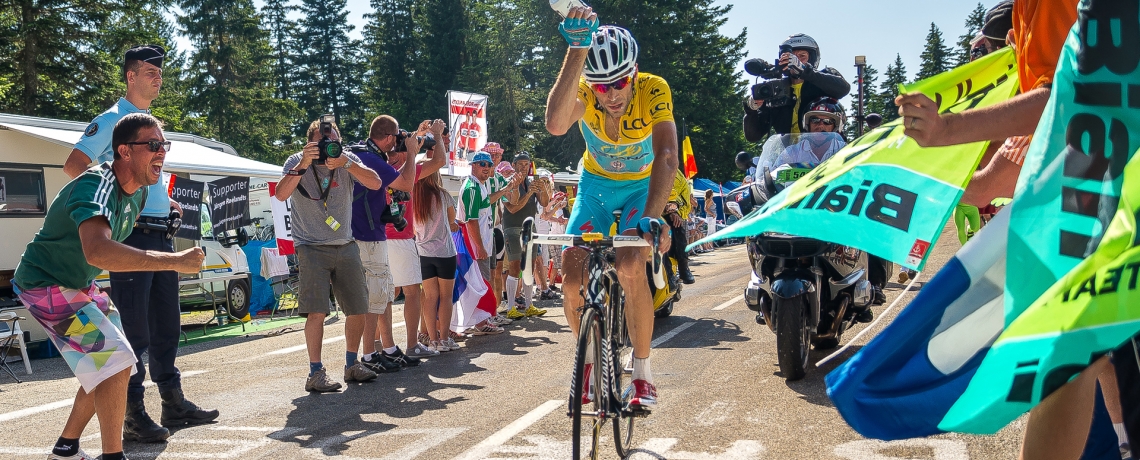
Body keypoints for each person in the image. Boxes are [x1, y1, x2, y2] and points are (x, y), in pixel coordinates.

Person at [23, 113, 205, 460]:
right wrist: (173, 261)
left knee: (116, 362)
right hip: (44, 285)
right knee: (117, 360)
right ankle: (111, 455)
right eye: (152, 145)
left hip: (78, 285)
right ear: (123, 150)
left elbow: (108, 244)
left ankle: (65, 449)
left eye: (164, 145)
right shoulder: (97, 184)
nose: (161, 152)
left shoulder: (136, 195)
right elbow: (98, 249)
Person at [63, 44, 217, 443]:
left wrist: (167, 202)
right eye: (150, 72)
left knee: (167, 325)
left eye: (160, 73)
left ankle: (173, 401)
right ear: (130, 76)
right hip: (130, 234)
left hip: (161, 232)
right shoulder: (112, 121)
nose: (158, 78)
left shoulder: (150, 124)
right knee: (133, 330)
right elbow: (74, 166)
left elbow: (144, 176)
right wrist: (108, 207)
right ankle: (132, 414)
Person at [545, 11, 679, 408]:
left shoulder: (653, 88)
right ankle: (588, 360)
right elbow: (555, 124)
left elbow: (668, 155)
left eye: (620, 82)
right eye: (602, 86)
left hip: (641, 187)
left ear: (634, 73)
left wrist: (654, 217)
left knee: (631, 266)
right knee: (571, 275)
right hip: (597, 188)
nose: (612, 95)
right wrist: (576, 50)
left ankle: (641, 373)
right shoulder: (586, 92)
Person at [274, 117, 384, 392]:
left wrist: (348, 164)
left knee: (358, 307)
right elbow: (280, 194)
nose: (329, 147)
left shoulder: (345, 159)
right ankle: (315, 372)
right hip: (310, 245)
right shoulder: (296, 160)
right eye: (323, 142)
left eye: (334, 141)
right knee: (317, 311)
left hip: (345, 243)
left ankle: (351, 364)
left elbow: (376, 183)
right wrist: (303, 164)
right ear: (310, 143)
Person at [351, 116, 442, 377]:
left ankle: (385, 348)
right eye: (398, 139)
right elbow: (404, 184)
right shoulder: (372, 159)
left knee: (382, 295)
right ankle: (370, 352)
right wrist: (412, 152)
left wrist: (420, 138)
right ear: (390, 139)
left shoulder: (367, 155)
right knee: (378, 296)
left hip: (375, 234)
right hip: (369, 235)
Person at [379, 117, 450, 364]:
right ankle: (411, 344)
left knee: (385, 293)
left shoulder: (379, 166)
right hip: (401, 237)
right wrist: (437, 136)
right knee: (412, 292)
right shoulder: (408, 169)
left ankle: (381, 345)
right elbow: (439, 160)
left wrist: (419, 137)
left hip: (378, 238)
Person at [742, 34, 851, 141]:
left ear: (812, 59)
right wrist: (752, 110)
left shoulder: (824, 78)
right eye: (791, 57)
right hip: (789, 156)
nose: (795, 61)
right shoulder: (775, 89)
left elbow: (843, 89)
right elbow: (753, 136)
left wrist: (805, 71)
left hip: (824, 152)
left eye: (802, 56)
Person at [457, 152, 510, 335]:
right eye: (482, 164)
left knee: (481, 283)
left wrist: (506, 189)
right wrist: (479, 246)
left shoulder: (480, 186)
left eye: (488, 164)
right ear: (473, 165)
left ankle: (480, 320)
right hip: (474, 246)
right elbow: (470, 221)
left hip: (482, 243)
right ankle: (480, 323)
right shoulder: (472, 187)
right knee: (479, 284)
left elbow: (488, 202)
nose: (486, 167)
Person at [412, 167, 460, 353]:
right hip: (445, 252)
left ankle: (432, 340)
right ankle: (444, 338)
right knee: (446, 297)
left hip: (423, 252)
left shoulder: (415, 197)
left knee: (430, 297)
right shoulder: (443, 195)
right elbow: (451, 220)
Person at [502, 152, 552, 319]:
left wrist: (542, 188)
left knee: (529, 268)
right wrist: (530, 193)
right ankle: (510, 307)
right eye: (521, 164)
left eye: (526, 164)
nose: (524, 167)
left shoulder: (530, 182)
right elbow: (513, 208)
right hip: (513, 228)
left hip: (530, 228)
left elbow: (545, 203)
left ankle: (530, 305)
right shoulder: (507, 183)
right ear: (514, 165)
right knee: (515, 267)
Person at [774, 97, 848, 167]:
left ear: (836, 126)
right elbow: (774, 176)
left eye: (827, 121)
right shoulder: (791, 153)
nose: (820, 126)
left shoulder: (845, 151)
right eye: (815, 120)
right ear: (807, 123)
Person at [663, 169, 695, 284]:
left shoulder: (674, 168)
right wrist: (672, 210)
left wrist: (673, 210)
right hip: (660, 211)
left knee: (677, 229)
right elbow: (669, 186)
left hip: (675, 212)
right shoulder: (658, 163)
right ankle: (672, 272)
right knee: (673, 227)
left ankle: (682, 267)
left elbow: (674, 187)